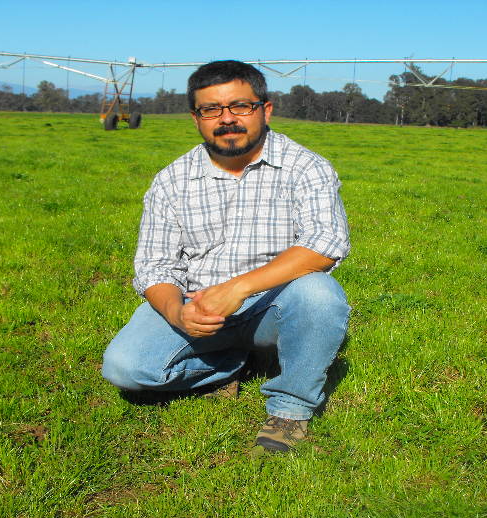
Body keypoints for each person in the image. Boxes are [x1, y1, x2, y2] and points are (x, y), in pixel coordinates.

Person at [101, 60, 350, 453]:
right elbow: (154, 265)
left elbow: (325, 244)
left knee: (319, 294)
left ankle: (290, 411)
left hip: (275, 305)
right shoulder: (172, 179)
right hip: (197, 305)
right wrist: (176, 312)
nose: (227, 119)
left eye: (240, 107)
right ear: (196, 118)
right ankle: (230, 363)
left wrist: (239, 288)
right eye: (211, 110)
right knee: (125, 369)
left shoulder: (307, 167)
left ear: (265, 110)